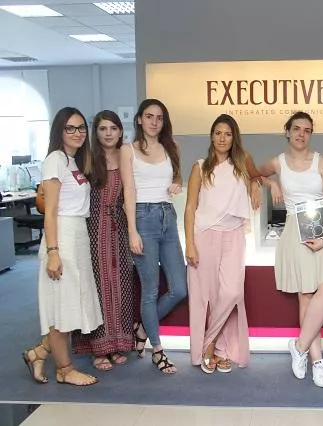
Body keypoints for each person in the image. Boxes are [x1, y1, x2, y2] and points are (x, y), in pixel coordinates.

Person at [259, 111, 323, 388]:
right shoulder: (277, 162)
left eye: (307, 130)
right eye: (297, 128)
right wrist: (271, 182)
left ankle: (299, 347)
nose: (301, 134)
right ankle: (317, 361)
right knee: (307, 294)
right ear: (287, 131)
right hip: (296, 226)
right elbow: (251, 172)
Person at [22, 107, 102, 386]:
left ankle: (39, 353)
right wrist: (53, 253)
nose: (77, 133)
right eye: (70, 128)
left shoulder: (73, 161)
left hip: (77, 235)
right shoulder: (55, 159)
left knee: (72, 303)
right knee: (61, 306)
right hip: (62, 237)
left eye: (81, 128)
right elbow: (51, 211)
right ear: (60, 131)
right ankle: (65, 370)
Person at [184, 114, 264, 374]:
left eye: (228, 134)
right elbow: (190, 207)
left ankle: (208, 343)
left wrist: (255, 184)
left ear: (234, 138)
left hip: (234, 235)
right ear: (211, 136)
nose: (222, 138)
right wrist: (189, 244)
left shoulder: (243, 161)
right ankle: (218, 350)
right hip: (204, 234)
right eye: (218, 133)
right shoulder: (200, 167)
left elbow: (257, 176)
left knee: (231, 293)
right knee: (205, 295)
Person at [120, 99, 187, 375]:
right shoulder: (128, 150)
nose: (154, 122)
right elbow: (128, 191)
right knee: (149, 290)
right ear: (139, 119)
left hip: (168, 216)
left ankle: (142, 329)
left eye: (159, 117)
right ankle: (158, 351)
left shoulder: (172, 147)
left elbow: (176, 179)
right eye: (149, 116)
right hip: (143, 218)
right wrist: (132, 230)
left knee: (180, 288)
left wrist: (176, 184)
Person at [71, 110, 140, 371]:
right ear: (96, 132)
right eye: (102, 129)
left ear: (121, 131)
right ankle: (98, 349)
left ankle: (117, 343)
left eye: (113, 128)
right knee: (98, 287)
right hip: (93, 229)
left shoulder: (127, 155)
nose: (108, 133)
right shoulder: (87, 159)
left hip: (120, 228)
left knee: (121, 285)